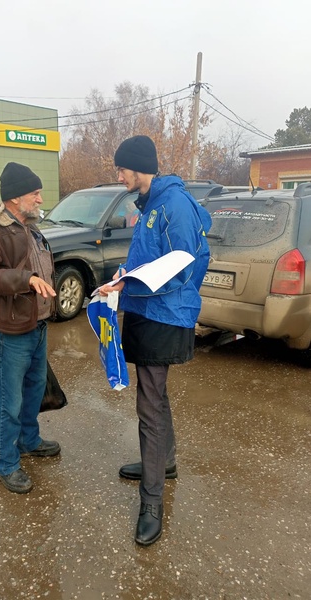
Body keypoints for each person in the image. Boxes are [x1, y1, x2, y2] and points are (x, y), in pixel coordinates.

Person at [99, 135, 212, 546]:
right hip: (144, 312)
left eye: (122, 168)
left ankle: (152, 503)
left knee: (148, 405)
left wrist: (132, 283)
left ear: (139, 166)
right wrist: (119, 280)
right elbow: (145, 259)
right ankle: (165, 464)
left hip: (165, 317)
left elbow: (184, 265)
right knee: (157, 398)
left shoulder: (174, 204)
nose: (119, 175)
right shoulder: (149, 204)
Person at [0, 162, 59, 494]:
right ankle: (5, 464)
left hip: (37, 326)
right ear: (15, 198)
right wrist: (27, 279)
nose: (39, 198)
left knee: (34, 390)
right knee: (8, 399)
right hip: (11, 331)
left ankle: (28, 440)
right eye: (34, 193)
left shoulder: (31, 227)